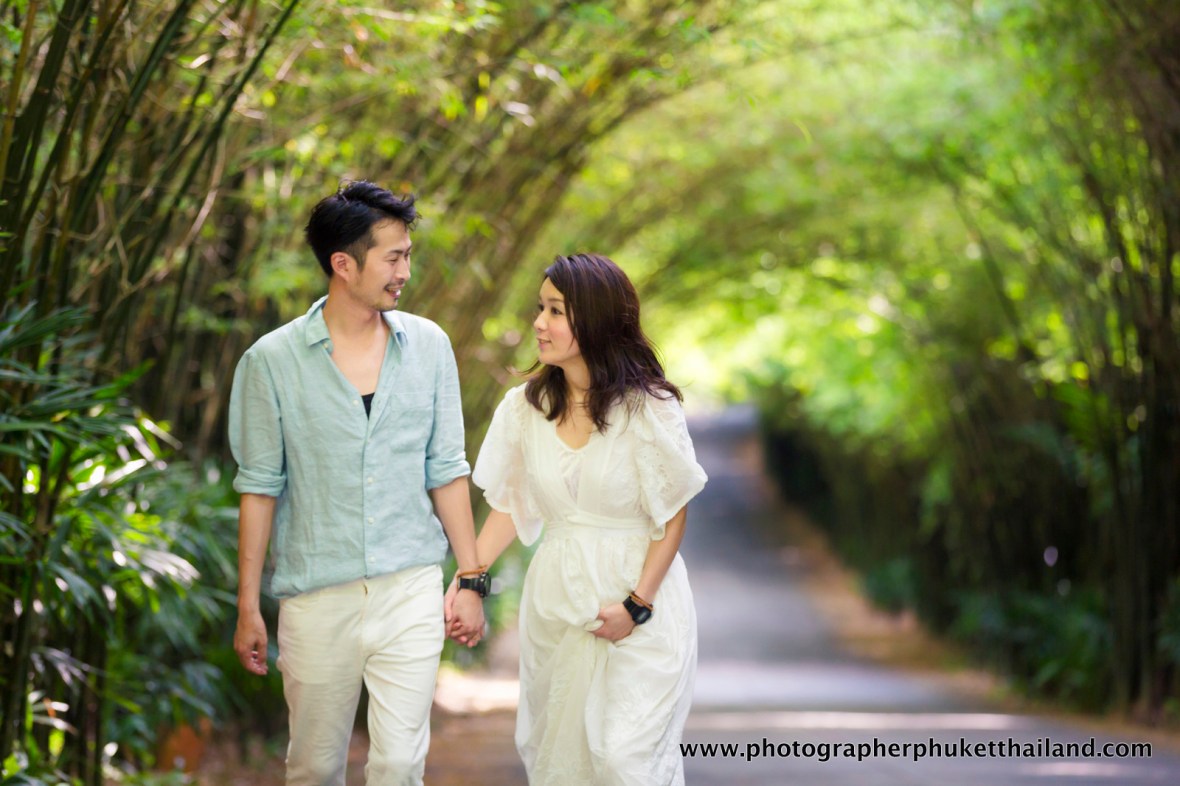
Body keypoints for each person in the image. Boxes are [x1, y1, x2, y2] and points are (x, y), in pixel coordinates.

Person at [228, 180, 487, 786]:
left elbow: (447, 468)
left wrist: (471, 580)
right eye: (393, 257)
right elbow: (259, 487)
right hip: (317, 595)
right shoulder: (271, 361)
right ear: (343, 265)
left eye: (408, 255)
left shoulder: (429, 345)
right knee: (315, 767)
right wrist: (247, 606)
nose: (405, 271)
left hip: (410, 587)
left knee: (399, 765)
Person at [447, 253, 708, 785]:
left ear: (595, 318)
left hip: (642, 602)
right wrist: (469, 578)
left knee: (624, 759)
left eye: (556, 311)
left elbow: (672, 516)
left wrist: (637, 606)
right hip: (559, 604)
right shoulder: (524, 408)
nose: (540, 323)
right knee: (563, 763)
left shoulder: (648, 407)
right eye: (540, 308)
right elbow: (511, 505)